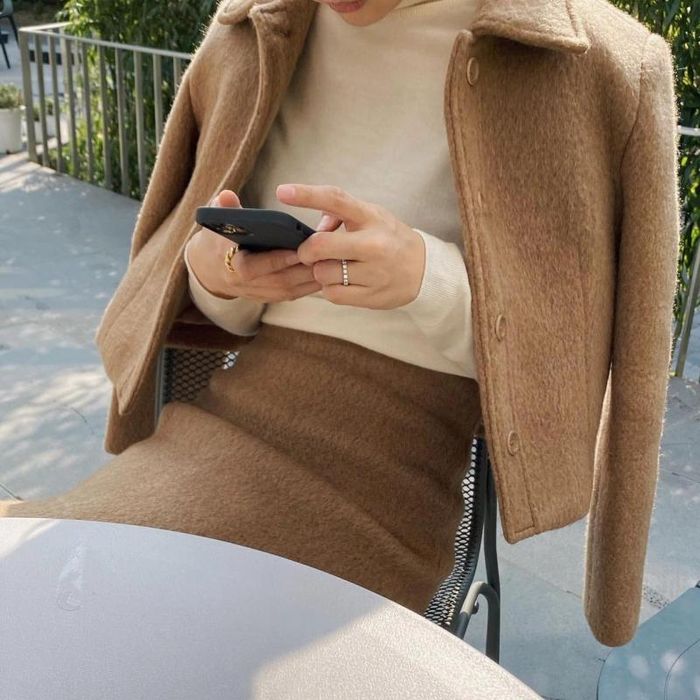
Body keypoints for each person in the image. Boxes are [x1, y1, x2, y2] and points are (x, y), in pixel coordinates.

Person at [1, 0, 681, 647]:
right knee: (44, 602)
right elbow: (200, 295)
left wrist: (426, 278)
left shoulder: (597, 67)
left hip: (385, 499)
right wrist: (219, 274)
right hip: (205, 437)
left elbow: (584, 366)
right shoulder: (253, 29)